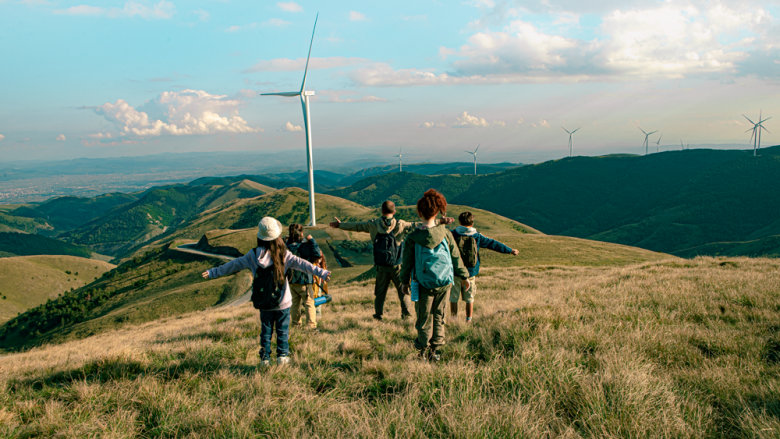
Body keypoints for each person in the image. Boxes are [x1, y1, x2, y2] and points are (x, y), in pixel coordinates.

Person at [201, 217, 330, 366]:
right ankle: (282, 355)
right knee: (282, 330)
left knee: (266, 330)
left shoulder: (254, 255)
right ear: (278, 236)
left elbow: (234, 265)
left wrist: (213, 272)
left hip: (264, 301)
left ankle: (265, 358)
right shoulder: (284, 254)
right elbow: (303, 264)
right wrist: (321, 272)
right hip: (283, 301)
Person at [329, 200, 453, 321]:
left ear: (382, 211)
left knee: (380, 292)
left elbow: (357, 226)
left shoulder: (373, 224)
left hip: (381, 265)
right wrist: (440, 221)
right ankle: (406, 315)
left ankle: (378, 315)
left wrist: (340, 225)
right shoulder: (401, 224)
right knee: (402, 291)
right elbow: (419, 224)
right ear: (394, 212)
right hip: (397, 264)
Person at [400, 189, 470, 362]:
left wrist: (404, 282)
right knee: (439, 315)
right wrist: (464, 276)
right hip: (445, 282)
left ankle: (422, 351)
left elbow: (407, 262)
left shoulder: (413, 237)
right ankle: (436, 351)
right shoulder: (445, 233)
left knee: (424, 317)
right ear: (438, 212)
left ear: (419, 212)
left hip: (422, 283)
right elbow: (455, 257)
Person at [450, 211, 520, 323]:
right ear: (472, 224)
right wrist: (510, 250)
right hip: (471, 272)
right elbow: (493, 244)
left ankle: (453, 319)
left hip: (456, 272)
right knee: (469, 297)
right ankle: (468, 319)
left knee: (454, 296)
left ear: (459, 222)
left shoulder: (453, 234)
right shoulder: (477, 236)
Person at [285, 224, 322, 329]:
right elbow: (317, 253)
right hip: (304, 280)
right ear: (301, 233)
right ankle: (311, 326)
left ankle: (296, 325)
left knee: (294, 305)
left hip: (291, 281)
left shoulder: (287, 247)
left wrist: (286, 241)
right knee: (309, 303)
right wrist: (312, 240)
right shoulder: (304, 246)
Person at [312, 252, 328, 319]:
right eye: (318, 258)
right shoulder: (313, 265)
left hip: (320, 286)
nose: (319, 260)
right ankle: (315, 319)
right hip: (314, 287)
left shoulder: (322, 266)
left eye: (320, 258)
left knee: (319, 304)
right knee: (316, 304)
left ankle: (318, 319)